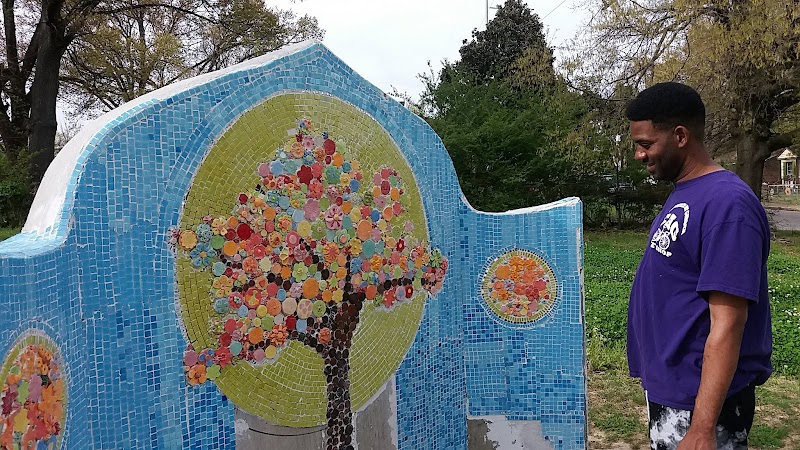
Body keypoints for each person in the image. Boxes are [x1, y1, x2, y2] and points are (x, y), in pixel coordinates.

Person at [625, 82, 773, 450]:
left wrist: (703, 429)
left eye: (645, 144)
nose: (639, 155)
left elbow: (729, 322)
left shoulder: (727, 205)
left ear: (680, 136)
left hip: (700, 403)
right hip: (675, 390)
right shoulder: (687, 192)